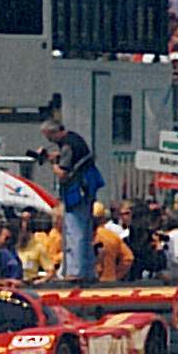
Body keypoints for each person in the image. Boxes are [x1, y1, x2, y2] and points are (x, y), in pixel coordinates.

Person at [39, 118, 101, 279]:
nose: (49, 141)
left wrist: (52, 164)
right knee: (86, 231)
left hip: (77, 191)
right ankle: (88, 270)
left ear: (54, 132)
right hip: (88, 186)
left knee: (75, 230)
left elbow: (63, 174)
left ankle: (76, 271)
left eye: (49, 137)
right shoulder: (75, 138)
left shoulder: (67, 146)